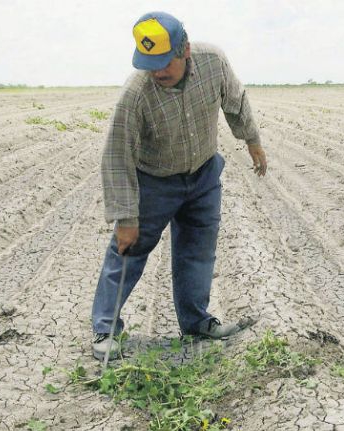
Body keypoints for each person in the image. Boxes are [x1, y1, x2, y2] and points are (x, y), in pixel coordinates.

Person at [91, 11, 267, 360]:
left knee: (198, 249)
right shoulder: (136, 93)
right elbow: (116, 155)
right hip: (155, 181)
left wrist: (252, 140)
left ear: (184, 49)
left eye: (164, 62)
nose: (157, 72)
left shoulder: (213, 62)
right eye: (149, 63)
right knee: (128, 250)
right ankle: (105, 330)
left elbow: (236, 101)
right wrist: (125, 217)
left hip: (203, 173)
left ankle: (197, 322)